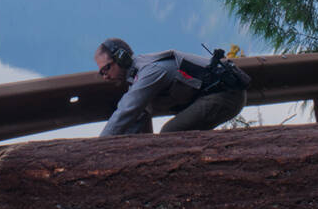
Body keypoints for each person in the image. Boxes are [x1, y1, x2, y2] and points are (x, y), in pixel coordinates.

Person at [93, 38, 247, 136]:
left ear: (121, 58)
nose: (105, 76)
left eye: (105, 69)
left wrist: (98, 149)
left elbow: (125, 112)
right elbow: (137, 121)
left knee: (170, 133)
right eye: (101, 73)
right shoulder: (138, 79)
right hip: (216, 96)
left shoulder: (150, 71)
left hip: (227, 94)